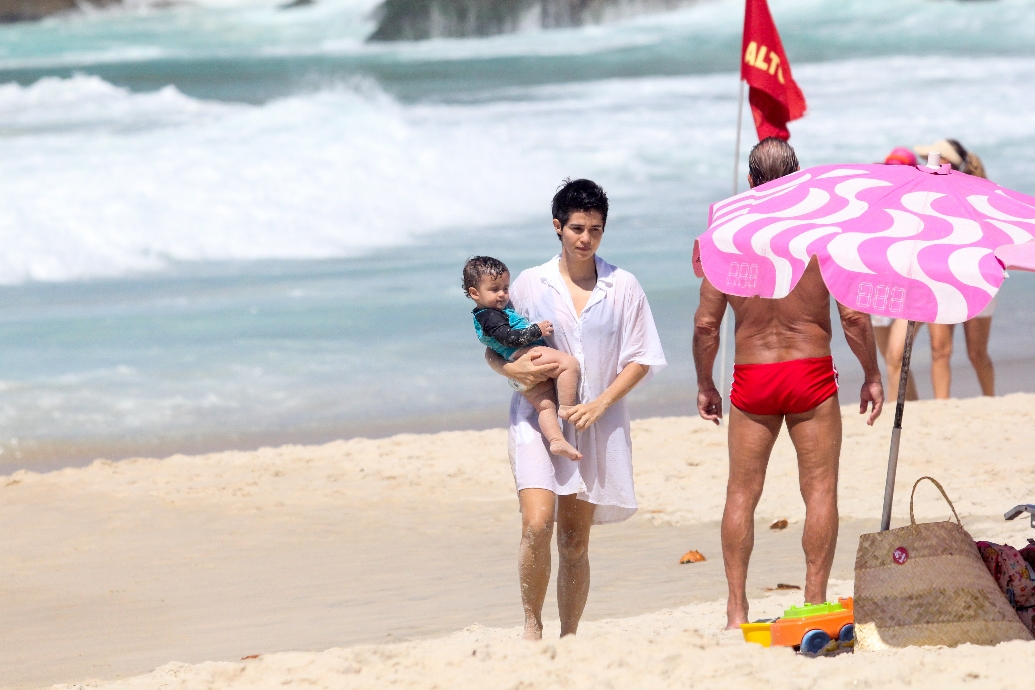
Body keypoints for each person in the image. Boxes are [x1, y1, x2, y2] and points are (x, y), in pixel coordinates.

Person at [693, 138, 885, 629]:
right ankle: (814, 601)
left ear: (752, 182)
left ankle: (737, 610)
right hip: (810, 373)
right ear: (799, 177)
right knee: (819, 491)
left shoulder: (727, 237)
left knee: (741, 493)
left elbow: (705, 327)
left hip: (752, 376)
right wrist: (871, 373)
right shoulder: (822, 235)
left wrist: (705, 384)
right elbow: (855, 318)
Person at [485, 178, 666, 640]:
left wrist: (600, 403)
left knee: (574, 541)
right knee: (537, 524)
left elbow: (642, 357)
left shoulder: (622, 285)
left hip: (595, 424)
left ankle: (569, 637)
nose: (586, 239)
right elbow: (493, 346)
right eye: (578, 228)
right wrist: (510, 373)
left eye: (596, 229)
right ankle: (531, 627)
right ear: (558, 227)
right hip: (535, 417)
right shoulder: (530, 284)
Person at [464, 255, 582, 461]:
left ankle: (556, 440)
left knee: (544, 405)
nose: (502, 294)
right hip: (526, 354)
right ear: (474, 293)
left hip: (519, 363)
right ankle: (567, 409)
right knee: (568, 365)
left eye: (505, 288)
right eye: (494, 289)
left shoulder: (491, 312)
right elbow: (508, 338)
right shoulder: (489, 316)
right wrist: (536, 331)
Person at [914, 139, 995, 398]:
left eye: (935, 159)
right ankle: (941, 407)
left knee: (976, 352)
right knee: (940, 349)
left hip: (977, 275)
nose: (928, 163)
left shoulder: (976, 192)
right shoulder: (924, 194)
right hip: (938, 276)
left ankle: (990, 400)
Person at [870, 148, 920, 402]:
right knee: (894, 363)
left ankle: (892, 414)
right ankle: (915, 410)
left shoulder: (921, 204)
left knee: (894, 357)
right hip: (879, 290)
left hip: (911, 290)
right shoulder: (877, 203)